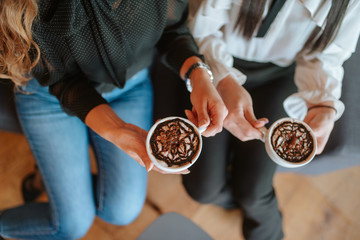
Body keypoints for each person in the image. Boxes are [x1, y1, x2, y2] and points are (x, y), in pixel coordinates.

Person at [0, 1, 227, 239]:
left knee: (122, 211)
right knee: (71, 225)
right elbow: (62, 82)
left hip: (130, 86)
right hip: (52, 94)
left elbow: (171, 30)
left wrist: (198, 73)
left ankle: (56, 181)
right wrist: (115, 128)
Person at [181, 0, 360, 240]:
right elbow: (201, 27)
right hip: (211, 62)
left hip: (280, 75)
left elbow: (326, 56)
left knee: (254, 193)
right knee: (202, 190)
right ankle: (236, 198)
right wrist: (222, 80)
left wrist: (323, 103)